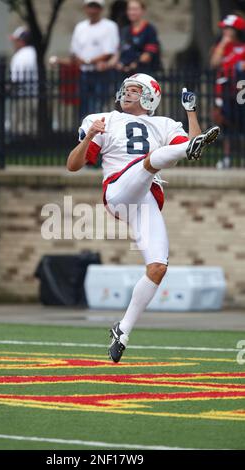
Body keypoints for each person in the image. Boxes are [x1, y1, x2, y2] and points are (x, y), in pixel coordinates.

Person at [67, 73, 220, 363]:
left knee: (158, 267)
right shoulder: (103, 119)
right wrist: (89, 135)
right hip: (118, 190)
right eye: (126, 89)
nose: (127, 94)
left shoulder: (163, 124)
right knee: (150, 163)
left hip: (144, 197)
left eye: (135, 91)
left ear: (150, 96)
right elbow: (73, 165)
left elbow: (196, 141)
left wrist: (190, 113)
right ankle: (181, 152)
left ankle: (122, 331)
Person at [50, 0, 120, 118]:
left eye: (95, 7)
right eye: (90, 7)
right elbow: (74, 52)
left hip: (102, 72)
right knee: (85, 107)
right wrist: (79, 60)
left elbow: (109, 52)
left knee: (99, 106)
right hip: (84, 72)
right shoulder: (80, 27)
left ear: (101, 9)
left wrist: (88, 61)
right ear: (85, 8)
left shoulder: (109, 26)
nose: (92, 10)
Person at [210, 14, 245, 169]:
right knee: (225, 123)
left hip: (240, 92)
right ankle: (226, 157)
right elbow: (214, 63)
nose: (224, 31)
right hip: (223, 92)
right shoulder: (222, 47)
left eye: (228, 29)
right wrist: (224, 43)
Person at [109, 0, 161, 74]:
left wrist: (134, 64)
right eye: (129, 9)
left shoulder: (149, 29)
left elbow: (148, 54)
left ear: (143, 11)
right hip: (123, 74)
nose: (132, 12)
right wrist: (116, 63)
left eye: (135, 9)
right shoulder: (125, 30)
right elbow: (119, 51)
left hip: (142, 74)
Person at [9, 26, 38, 135]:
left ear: (21, 41)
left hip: (22, 96)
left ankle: (21, 146)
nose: (14, 44)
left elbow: (16, 80)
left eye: (16, 41)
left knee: (20, 126)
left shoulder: (19, 56)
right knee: (33, 125)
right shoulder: (35, 53)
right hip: (35, 95)